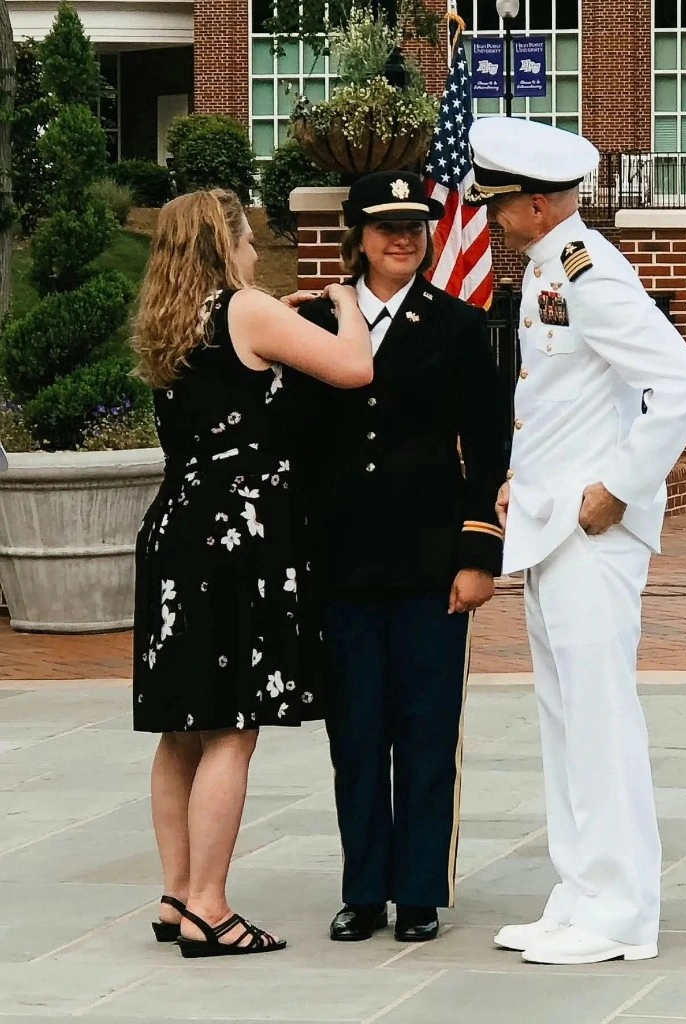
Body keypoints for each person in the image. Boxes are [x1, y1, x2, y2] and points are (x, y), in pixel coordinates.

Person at [464, 118, 686, 966]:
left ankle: (619, 913)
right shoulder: (548, 268)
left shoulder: (588, 272)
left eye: (498, 207)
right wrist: (523, 479)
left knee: (598, 720)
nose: (490, 221)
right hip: (552, 519)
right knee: (565, 718)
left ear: (536, 206)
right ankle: (578, 892)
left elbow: (680, 383)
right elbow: (560, 396)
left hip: (591, 530)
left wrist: (619, 488)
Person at [131, 188, 371, 958]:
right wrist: (342, 300)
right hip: (234, 538)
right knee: (232, 725)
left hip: (176, 529)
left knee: (180, 729)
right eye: (246, 235)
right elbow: (353, 368)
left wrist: (281, 314)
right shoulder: (246, 309)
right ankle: (211, 905)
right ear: (225, 239)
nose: (251, 247)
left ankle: (176, 895)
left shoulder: (171, 320)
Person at [297, 170, 508, 944]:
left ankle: (418, 890)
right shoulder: (316, 320)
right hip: (343, 559)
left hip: (428, 559)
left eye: (415, 226)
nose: (402, 239)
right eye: (386, 225)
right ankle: (363, 889)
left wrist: (478, 554)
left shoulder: (456, 324)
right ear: (356, 233)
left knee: (425, 726)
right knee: (354, 731)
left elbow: (488, 449)